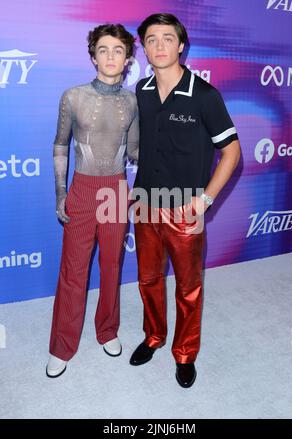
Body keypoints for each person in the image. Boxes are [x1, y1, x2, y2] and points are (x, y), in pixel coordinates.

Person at [129, 13, 241, 388]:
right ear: (143, 47)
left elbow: (232, 152)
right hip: (144, 203)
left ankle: (185, 352)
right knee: (148, 278)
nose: (159, 46)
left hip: (185, 209)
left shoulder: (205, 95)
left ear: (181, 45)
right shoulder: (141, 92)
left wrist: (205, 200)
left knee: (188, 287)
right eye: (151, 40)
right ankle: (154, 336)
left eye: (167, 39)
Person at [46, 24, 138, 378]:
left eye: (118, 50)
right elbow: (60, 145)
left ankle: (108, 330)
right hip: (82, 189)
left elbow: (133, 151)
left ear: (128, 58)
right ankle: (62, 345)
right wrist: (60, 192)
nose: (110, 56)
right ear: (93, 55)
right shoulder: (73, 96)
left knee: (113, 265)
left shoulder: (132, 101)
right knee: (73, 270)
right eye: (103, 49)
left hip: (116, 190)